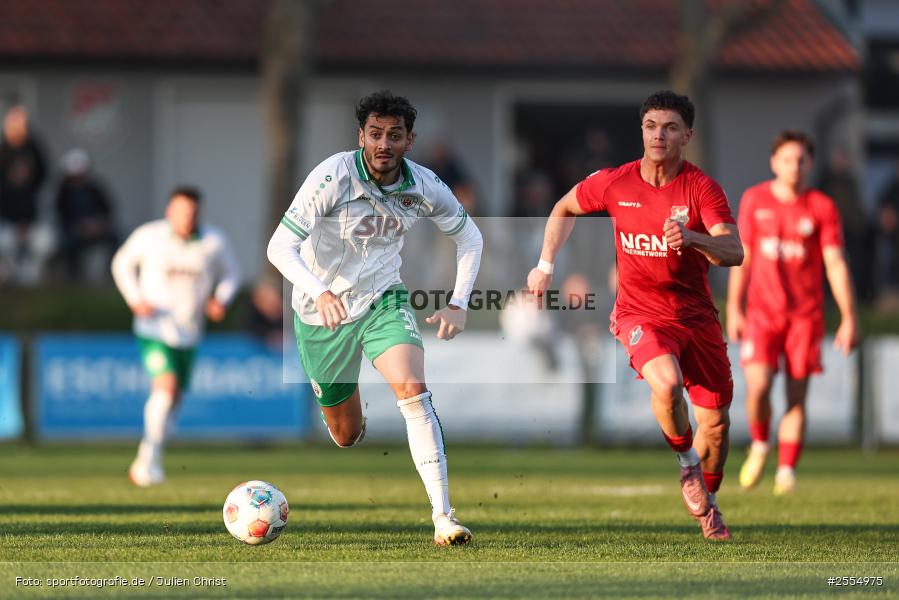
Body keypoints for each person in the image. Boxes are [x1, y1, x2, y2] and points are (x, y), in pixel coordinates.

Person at [267, 90, 483, 546]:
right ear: (360, 136)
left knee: (414, 392)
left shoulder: (423, 185)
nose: (384, 143)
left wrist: (459, 302)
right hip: (319, 312)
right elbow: (278, 247)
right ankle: (351, 417)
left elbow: (471, 238)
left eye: (395, 135)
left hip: (384, 299)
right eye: (375, 133)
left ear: (410, 140)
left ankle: (444, 517)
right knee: (345, 435)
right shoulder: (332, 176)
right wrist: (319, 291)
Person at [528, 90, 743, 541]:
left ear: (687, 135)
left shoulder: (702, 189)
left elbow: (734, 251)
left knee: (718, 428)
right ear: (641, 132)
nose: (658, 135)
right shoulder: (615, 183)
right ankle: (687, 466)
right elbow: (564, 206)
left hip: (697, 319)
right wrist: (546, 266)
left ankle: (710, 504)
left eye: (669, 128)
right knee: (665, 384)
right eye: (650, 126)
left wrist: (694, 238)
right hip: (639, 312)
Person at [727, 131, 859, 496]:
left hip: (805, 317)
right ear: (774, 163)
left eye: (801, 160)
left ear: (810, 164)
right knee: (758, 387)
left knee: (796, 397)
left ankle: (786, 472)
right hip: (762, 315)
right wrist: (734, 308)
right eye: (787, 159)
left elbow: (835, 263)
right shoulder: (754, 199)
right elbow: (744, 258)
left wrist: (849, 317)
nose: (794, 167)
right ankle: (759, 444)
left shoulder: (822, 207)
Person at [112, 186, 241, 487]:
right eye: (181, 211)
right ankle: (149, 461)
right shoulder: (149, 236)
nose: (187, 217)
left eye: (192, 212)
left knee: (173, 401)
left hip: (190, 332)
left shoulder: (213, 241)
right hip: (154, 329)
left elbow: (232, 274)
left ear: (199, 213)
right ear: (170, 211)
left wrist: (220, 299)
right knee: (166, 388)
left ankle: (148, 457)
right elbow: (121, 263)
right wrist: (134, 299)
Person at [0, 105, 53, 284]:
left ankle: (31, 272)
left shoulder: (33, 147)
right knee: (5, 241)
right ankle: (9, 271)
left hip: (30, 223)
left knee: (45, 240)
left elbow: (45, 172)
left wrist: (26, 225)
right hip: (7, 224)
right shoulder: (3, 149)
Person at [55, 148, 118, 282]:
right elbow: (61, 215)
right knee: (68, 242)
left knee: (115, 237)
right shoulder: (63, 192)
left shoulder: (95, 188)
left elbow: (108, 210)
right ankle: (73, 277)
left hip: (97, 228)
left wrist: (98, 225)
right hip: (74, 230)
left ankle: (111, 274)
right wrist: (79, 226)